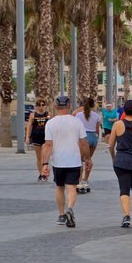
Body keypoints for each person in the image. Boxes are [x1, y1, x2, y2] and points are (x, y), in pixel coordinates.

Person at [41, 95, 89, 228]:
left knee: (60, 187)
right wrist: (88, 158)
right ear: (69, 107)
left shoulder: (50, 123)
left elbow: (48, 145)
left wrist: (45, 164)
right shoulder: (77, 122)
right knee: (72, 187)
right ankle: (70, 208)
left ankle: (61, 214)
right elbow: (84, 142)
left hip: (58, 161)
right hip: (74, 160)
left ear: (56, 107)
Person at [74, 98, 102, 193]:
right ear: (93, 105)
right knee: (88, 159)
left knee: (79, 160)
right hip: (93, 137)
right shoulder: (97, 116)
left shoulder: (78, 115)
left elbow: (76, 127)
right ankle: (85, 181)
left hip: (83, 137)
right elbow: (97, 129)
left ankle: (79, 181)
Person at [25, 98, 51, 182]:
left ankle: (44, 173)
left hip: (45, 138)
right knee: (39, 157)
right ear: (36, 106)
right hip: (36, 137)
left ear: (45, 106)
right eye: (39, 105)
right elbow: (29, 126)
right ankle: (41, 174)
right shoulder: (33, 115)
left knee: (44, 156)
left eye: (43, 105)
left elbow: (53, 125)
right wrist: (27, 137)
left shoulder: (48, 114)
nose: (41, 107)